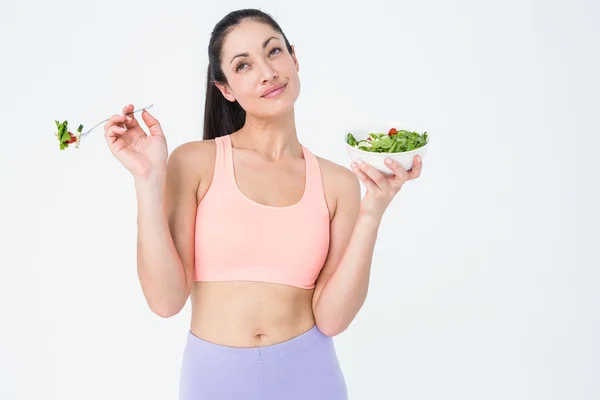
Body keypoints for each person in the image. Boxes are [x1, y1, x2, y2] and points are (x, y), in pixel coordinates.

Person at [103, 8, 422, 400]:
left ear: (294, 58)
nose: (267, 72)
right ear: (225, 89)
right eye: (243, 65)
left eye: (273, 52)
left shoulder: (339, 182)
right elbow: (165, 301)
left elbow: (333, 318)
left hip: (311, 377)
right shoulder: (193, 162)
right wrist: (148, 180)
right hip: (213, 382)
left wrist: (373, 211)